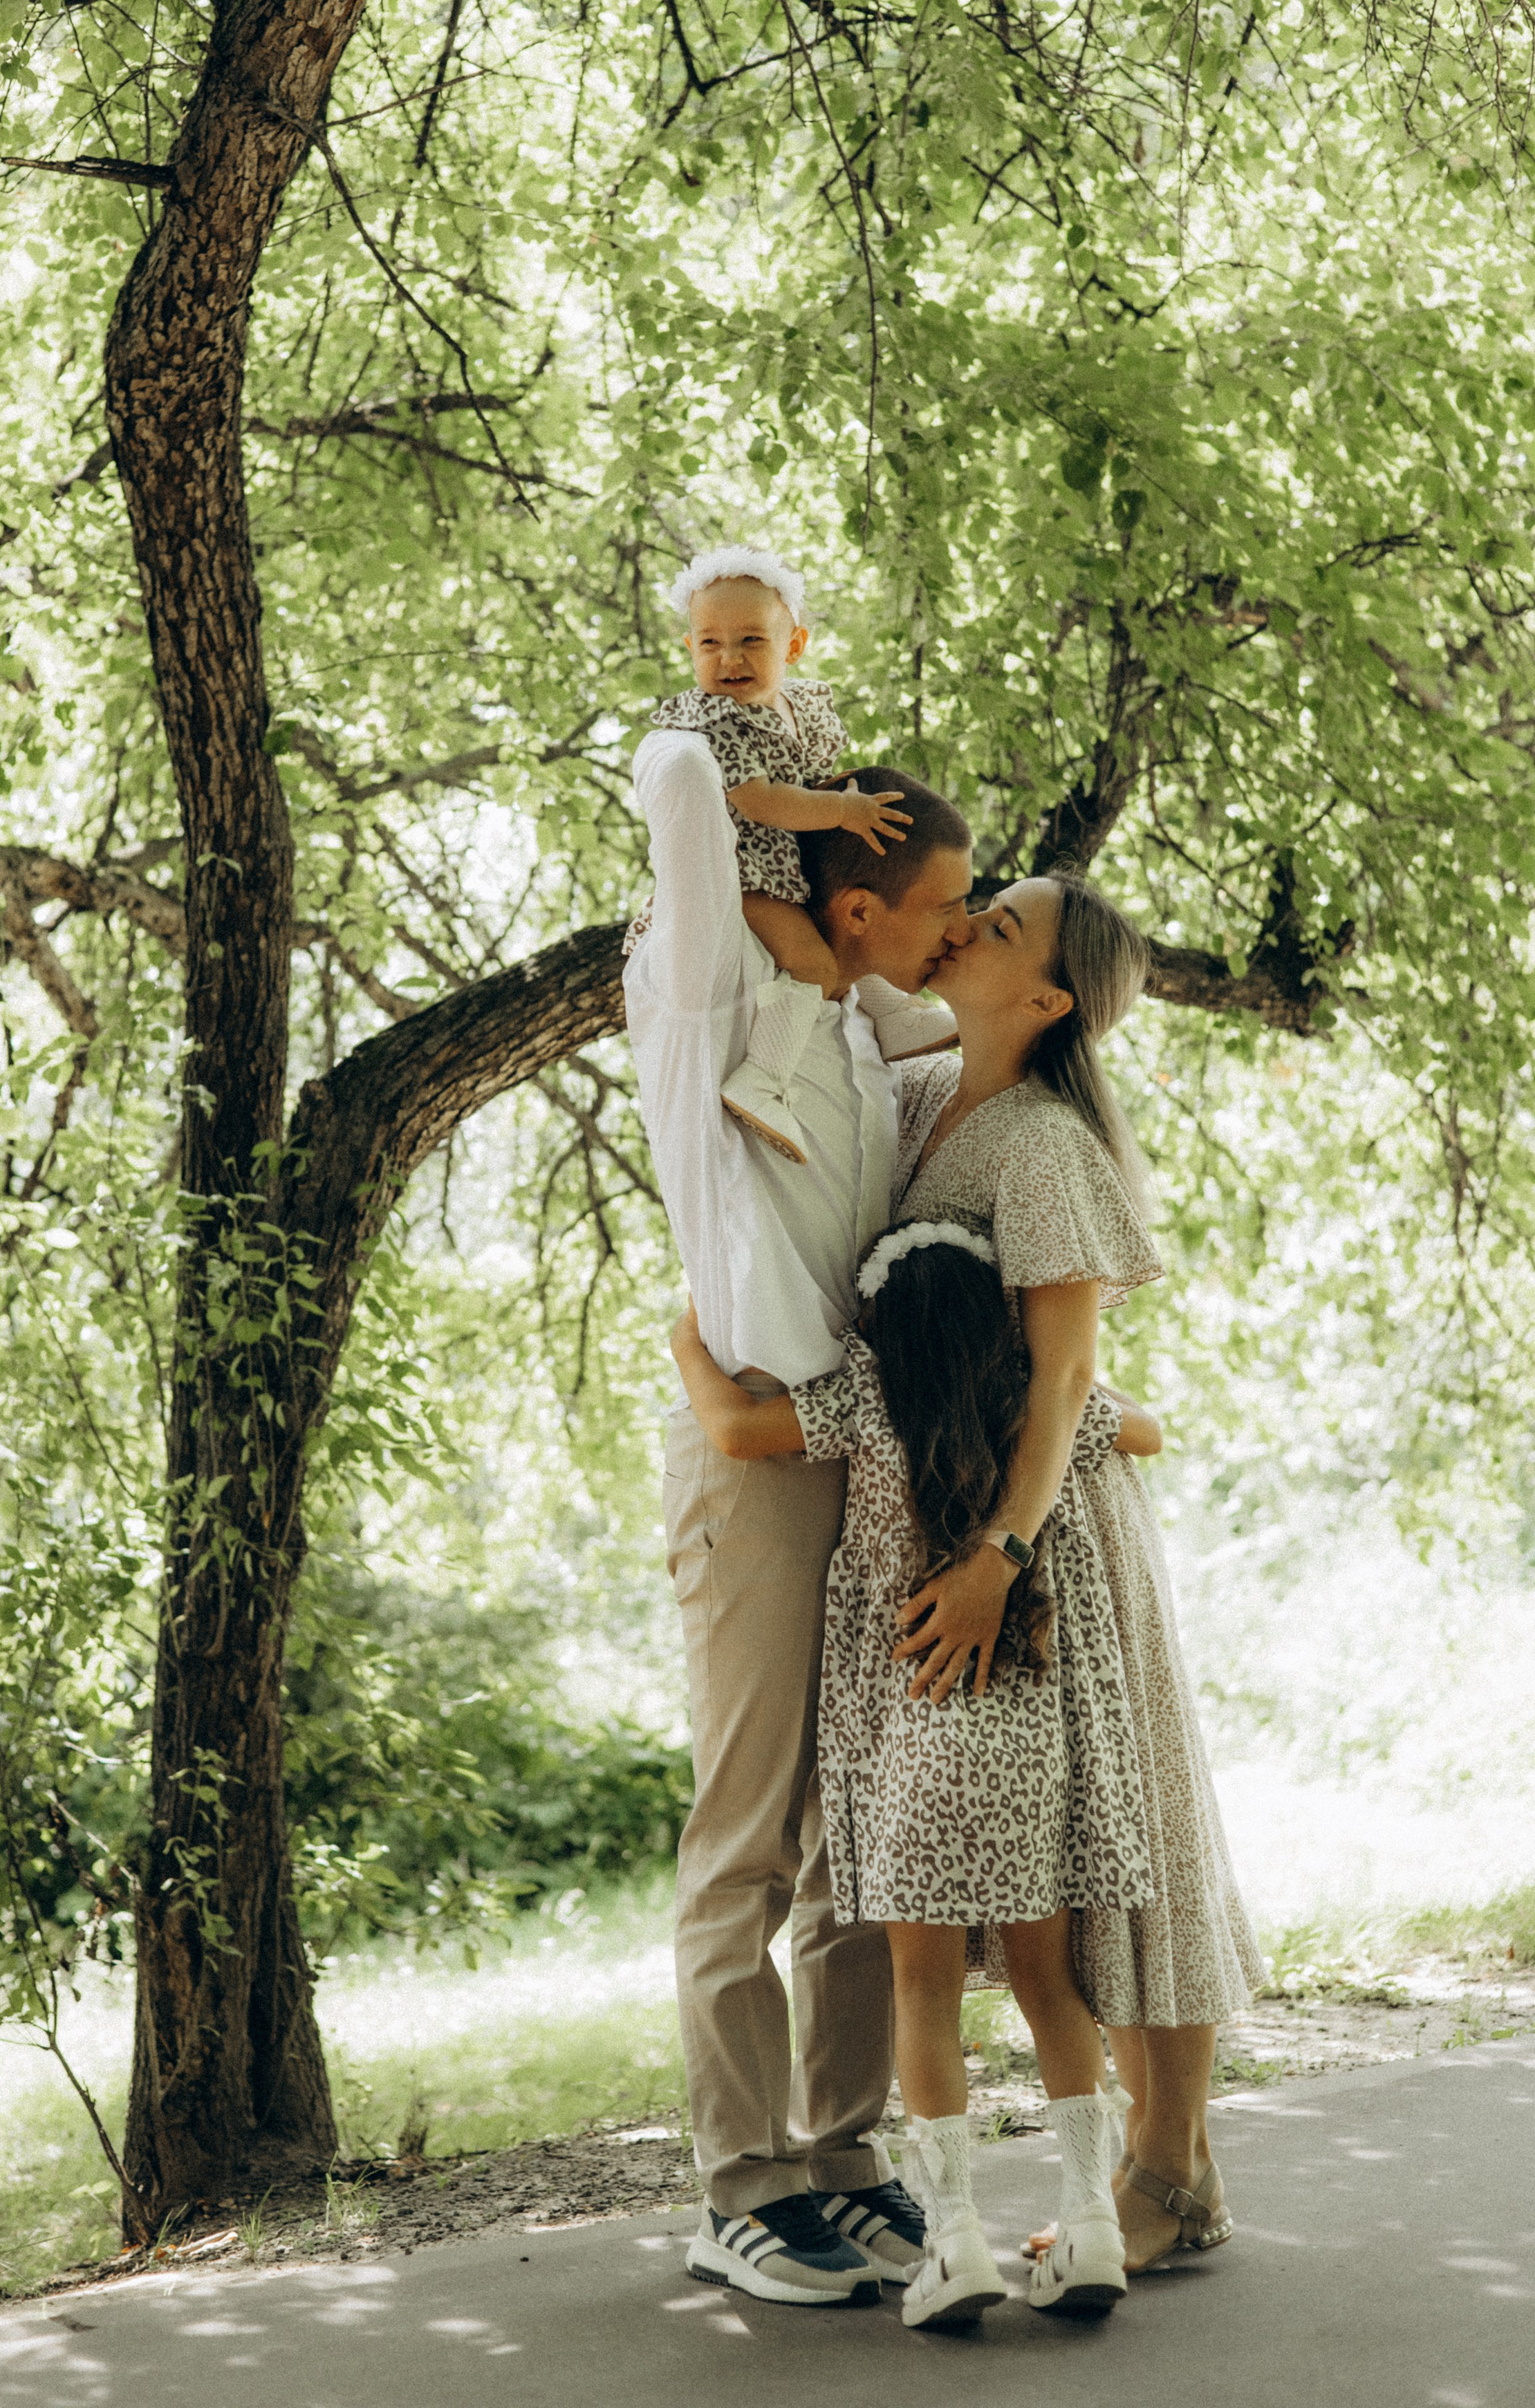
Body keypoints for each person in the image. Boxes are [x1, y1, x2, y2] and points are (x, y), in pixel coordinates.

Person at [624, 689, 974, 2306]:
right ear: (847, 901)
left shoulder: (867, 1033)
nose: (954, 936)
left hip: (859, 1455)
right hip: (752, 1460)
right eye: (935, 911)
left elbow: (1000, 1022)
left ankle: (835, 2154)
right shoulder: (721, 1001)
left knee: (856, 1833)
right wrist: (818, 796)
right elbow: (679, 775)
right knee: (749, 1829)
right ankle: (738, 2180)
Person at [671, 1221, 1166, 2322]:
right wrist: (1065, 1379)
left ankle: (954, 2244)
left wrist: (689, 1344)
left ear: (880, 1330)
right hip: (1030, 1753)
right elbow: (1149, 1430)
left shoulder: (866, 1396)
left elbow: (740, 1431)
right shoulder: (1041, 1409)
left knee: (925, 1993)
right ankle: (1089, 2224)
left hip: (914, 1760)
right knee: (1049, 1988)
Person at [888, 866, 1265, 2275]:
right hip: (996, 1523)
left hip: (1057, 1543)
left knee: (1132, 1842)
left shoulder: (1042, 1145)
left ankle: (1163, 2173)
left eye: (999, 928)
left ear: (1046, 998)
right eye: (978, 905)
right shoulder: (936, 1102)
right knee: (1094, 1850)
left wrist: (998, 1554)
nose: (971, 923)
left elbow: (1057, 1391)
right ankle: (1176, 2174)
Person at [624, 547, 956, 1159]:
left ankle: (893, 1013)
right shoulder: (719, 719)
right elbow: (759, 802)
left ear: (793, 645)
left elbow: (810, 776)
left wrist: (846, 794)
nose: (729, 659)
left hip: (791, 860)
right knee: (814, 964)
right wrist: (842, 812)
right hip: (747, 872)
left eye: (751, 640)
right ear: (690, 647)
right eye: (709, 643)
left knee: (854, 925)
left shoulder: (798, 706)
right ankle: (762, 1080)